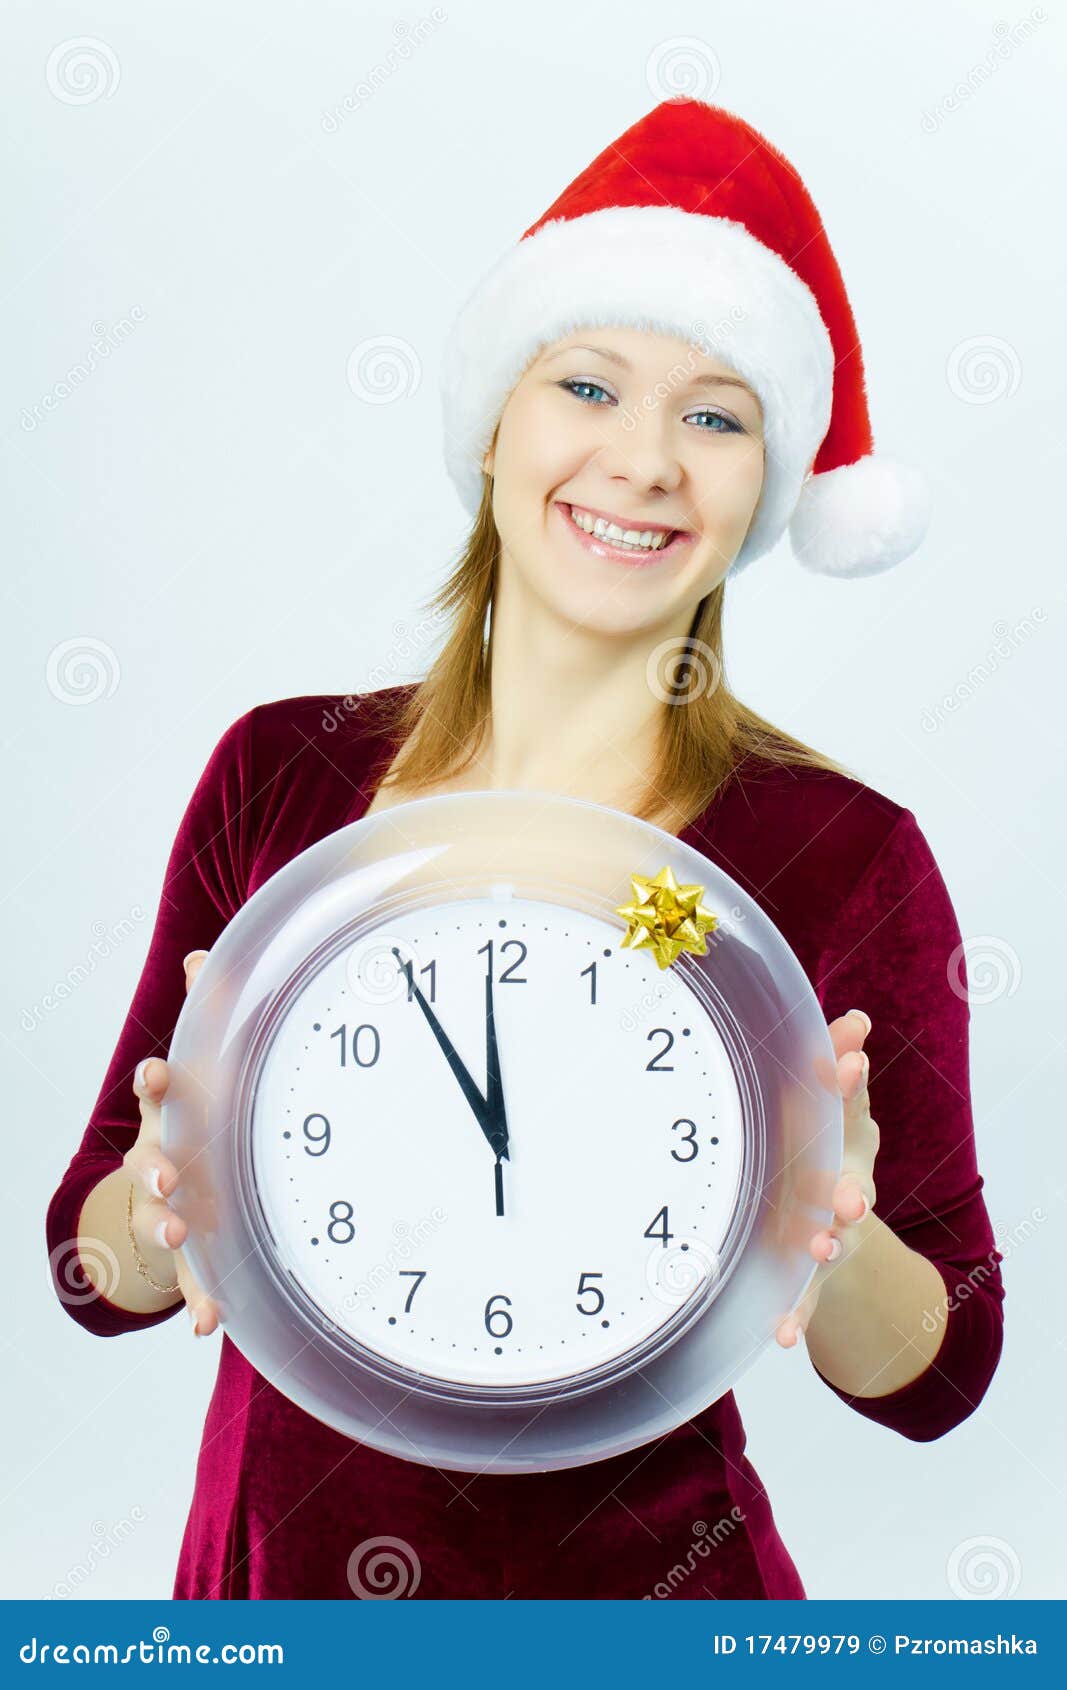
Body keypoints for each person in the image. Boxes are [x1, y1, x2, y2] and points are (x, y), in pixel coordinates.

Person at [45, 98, 1004, 1600]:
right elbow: (94, 1274)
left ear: (763, 483)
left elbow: (938, 1378)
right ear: (496, 424)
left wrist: (843, 1226)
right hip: (280, 1604)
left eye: (715, 415)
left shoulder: (834, 851)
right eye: (588, 385)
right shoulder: (285, 775)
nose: (643, 462)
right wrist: (169, 1189)